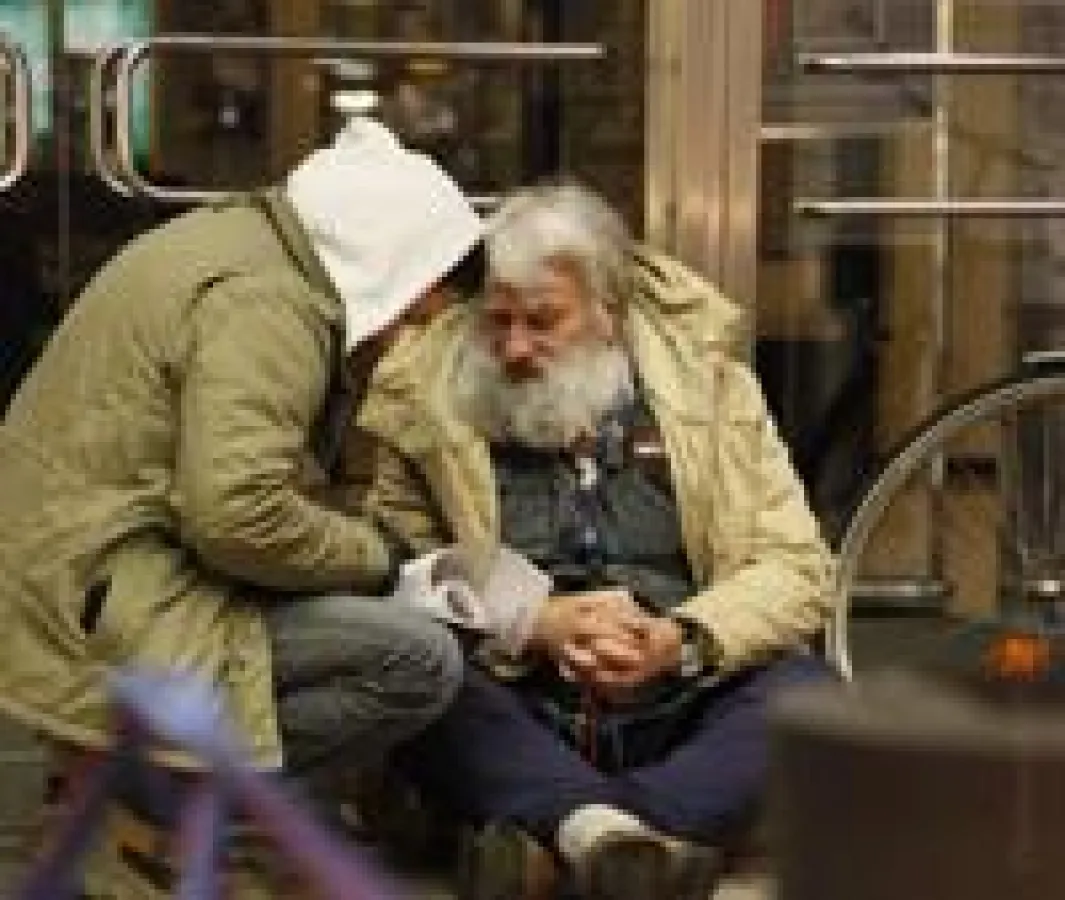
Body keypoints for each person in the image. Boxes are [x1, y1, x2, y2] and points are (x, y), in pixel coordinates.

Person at [0, 118, 483, 869]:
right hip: (110, 593)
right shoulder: (271, 304)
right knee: (416, 660)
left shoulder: (236, 245)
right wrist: (380, 561)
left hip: (80, 566)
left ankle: (166, 817)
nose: (402, 333)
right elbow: (236, 514)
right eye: (415, 312)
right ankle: (145, 805)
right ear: (396, 269)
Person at [354, 181, 837, 900]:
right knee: (419, 677)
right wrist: (534, 622)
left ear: (608, 314)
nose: (514, 348)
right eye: (499, 321)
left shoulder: (710, 385)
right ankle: (641, 846)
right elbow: (398, 571)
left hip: (682, 694)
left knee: (809, 696)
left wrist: (681, 638)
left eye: (543, 321)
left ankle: (577, 835)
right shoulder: (426, 394)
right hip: (519, 698)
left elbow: (797, 566)